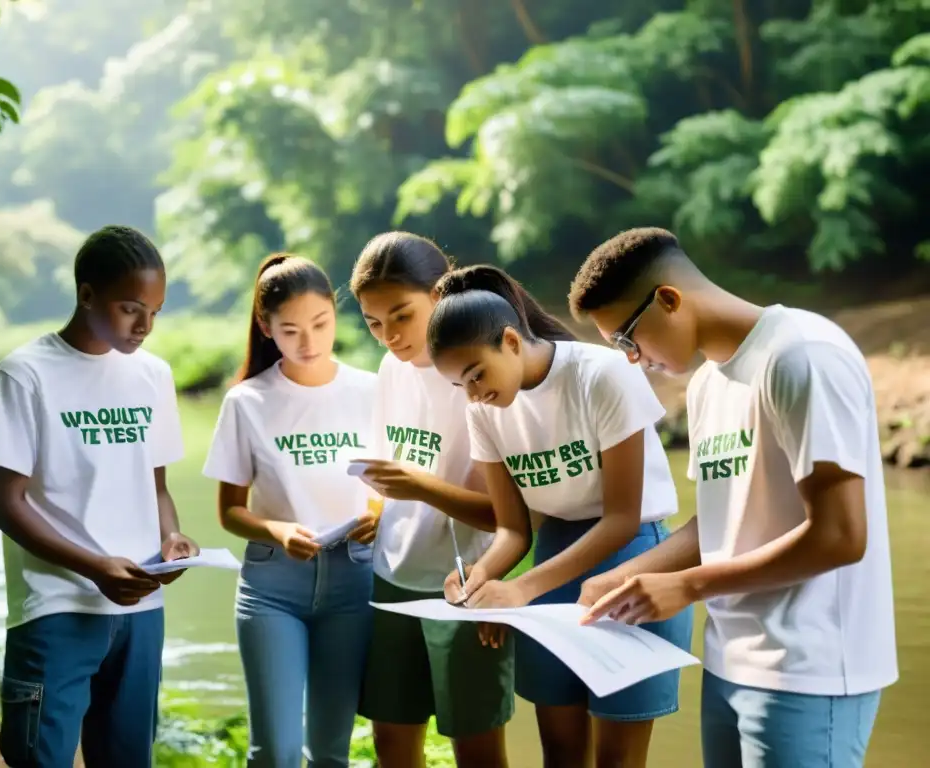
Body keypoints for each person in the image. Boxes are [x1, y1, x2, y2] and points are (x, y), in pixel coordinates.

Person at [570, 227, 898, 768]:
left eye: (628, 339)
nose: (632, 359)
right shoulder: (707, 386)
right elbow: (719, 523)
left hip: (809, 668)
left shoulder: (801, 356)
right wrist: (622, 580)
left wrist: (687, 586)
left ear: (669, 300)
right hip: (728, 661)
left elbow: (840, 535)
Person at [427, 264, 692, 768]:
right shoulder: (482, 411)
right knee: (562, 752)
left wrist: (522, 590)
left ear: (509, 340)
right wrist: (483, 582)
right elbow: (512, 529)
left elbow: (620, 518)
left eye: (477, 374)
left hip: (633, 553)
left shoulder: (602, 374)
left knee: (617, 759)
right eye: (460, 384)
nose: (473, 393)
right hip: (554, 560)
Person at [0, 225, 199, 768]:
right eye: (130, 308)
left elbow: (158, 489)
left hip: (141, 608)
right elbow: (4, 503)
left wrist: (171, 538)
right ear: (86, 294)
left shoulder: (152, 375)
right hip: (56, 607)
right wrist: (95, 566)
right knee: (40, 758)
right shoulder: (24, 374)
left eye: (155, 311)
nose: (145, 326)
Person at [202, 254, 379, 768]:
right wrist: (278, 529)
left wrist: (381, 515)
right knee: (275, 752)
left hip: (354, 582)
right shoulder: (246, 401)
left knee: (330, 753)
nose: (309, 342)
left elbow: (395, 485)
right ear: (265, 327)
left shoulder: (371, 391)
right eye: (291, 330)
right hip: (272, 587)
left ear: (335, 313)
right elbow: (230, 512)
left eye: (321, 324)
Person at [349, 232, 514, 768]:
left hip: (467, 580)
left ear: (439, 295)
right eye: (374, 323)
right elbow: (389, 466)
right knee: (392, 742)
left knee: (477, 744)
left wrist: (419, 487)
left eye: (402, 316)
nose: (390, 337)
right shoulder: (391, 371)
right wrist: (374, 511)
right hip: (392, 573)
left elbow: (501, 513)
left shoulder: (478, 374)